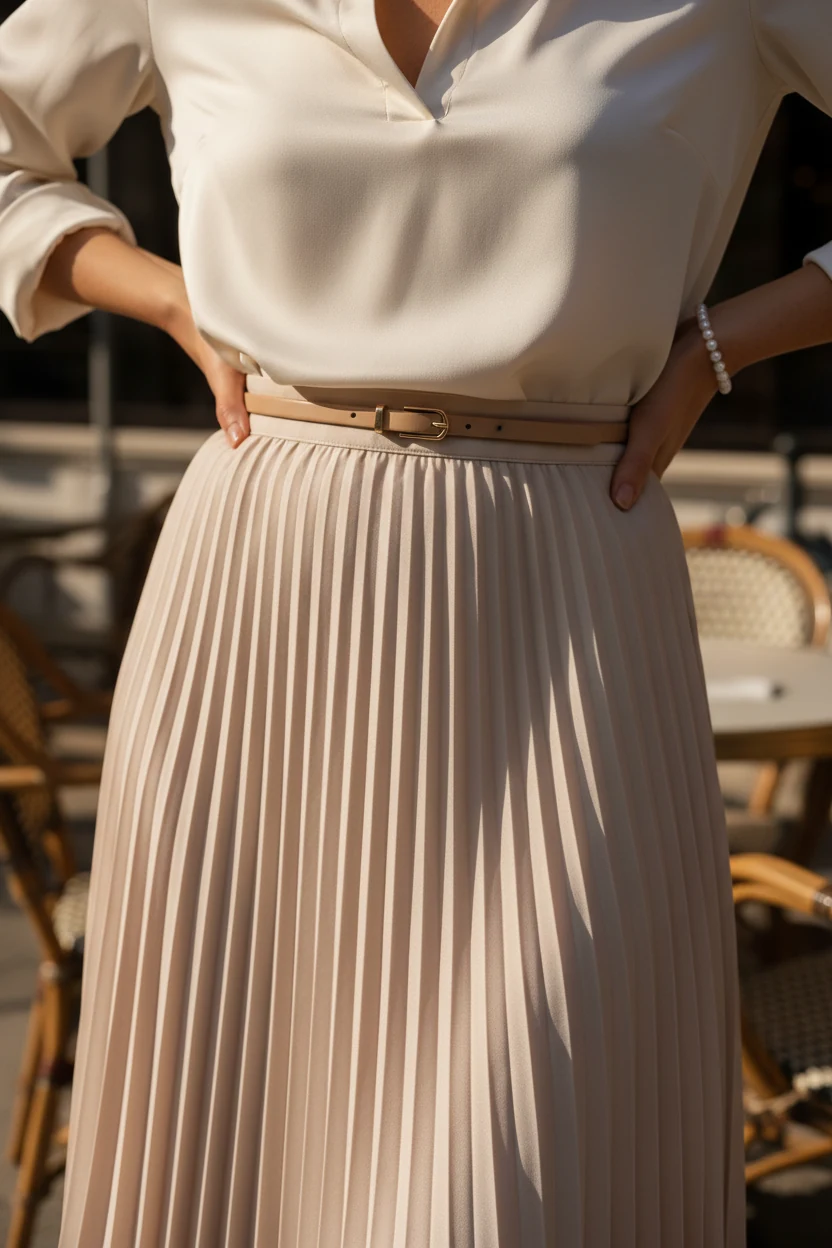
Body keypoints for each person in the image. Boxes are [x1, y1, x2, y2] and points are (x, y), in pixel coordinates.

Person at [1, 0, 832, 1243]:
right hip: (263, 596)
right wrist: (167, 296)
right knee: (251, 1125)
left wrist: (722, 349)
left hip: (567, 600)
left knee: (526, 1131)